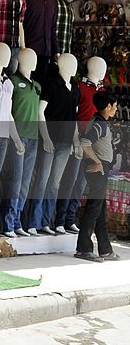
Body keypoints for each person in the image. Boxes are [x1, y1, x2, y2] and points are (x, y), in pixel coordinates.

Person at [75, 91, 121, 262]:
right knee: (94, 208)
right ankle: (83, 249)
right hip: (97, 169)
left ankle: (105, 250)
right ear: (108, 106)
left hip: (99, 168)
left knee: (100, 210)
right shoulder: (99, 125)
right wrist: (97, 162)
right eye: (114, 106)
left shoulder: (99, 122)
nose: (115, 110)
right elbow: (85, 143)